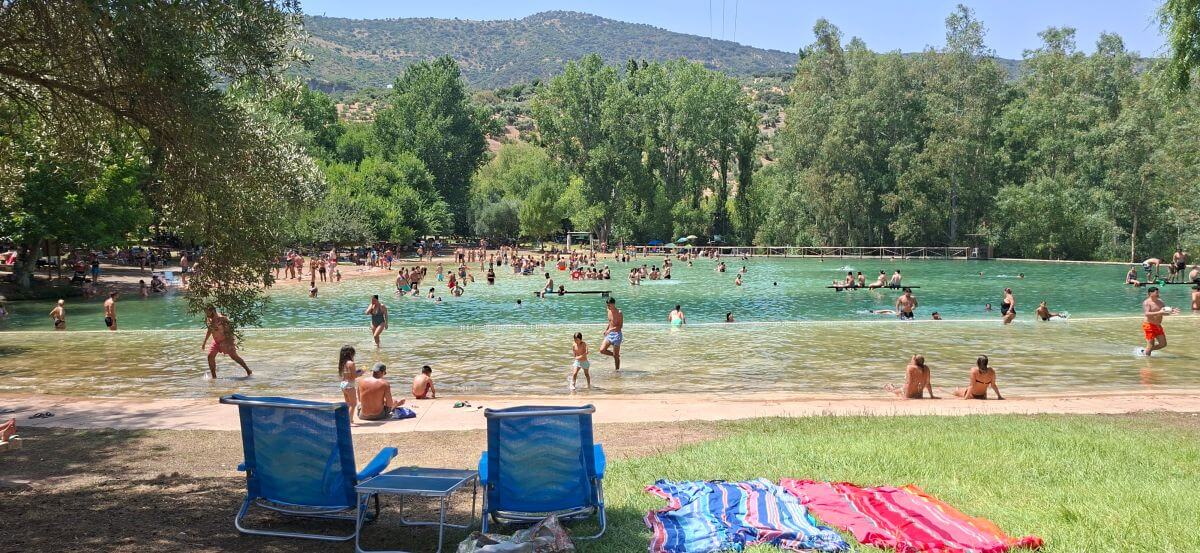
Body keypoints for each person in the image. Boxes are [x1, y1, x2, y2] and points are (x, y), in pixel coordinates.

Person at [202, 306, 252, 378]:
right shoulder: (209, 319)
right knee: (210, 356)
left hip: (225, 340)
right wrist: (204, 342)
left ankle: (248, 370)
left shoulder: (222, 319)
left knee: (234, 357)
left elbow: (230, 331)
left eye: (207, 312)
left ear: (212, 311)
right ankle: (214, 377)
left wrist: (229, 342)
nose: (206, 314)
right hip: (216, 342)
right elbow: (209, 330)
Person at [1141, 286, 1176, 356]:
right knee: (1151, 344)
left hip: (1158, 325)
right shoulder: (1147, 302)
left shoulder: (1161, 302)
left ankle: (1146, 351)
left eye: (1158, 292)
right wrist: (1159, 312)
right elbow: (1147, 314)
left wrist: (1171, 312)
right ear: (1150, 293)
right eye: (1156, 293)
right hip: (1149, 325)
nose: (1158, 294)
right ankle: (1148, 362)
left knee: (1163, 344)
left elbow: (1163, 313)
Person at [599, 297, 623, 371]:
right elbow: (610, 322)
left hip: (617, 335)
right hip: (609, 334)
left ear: (613, 304)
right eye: (607, 305)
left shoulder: (619, 312)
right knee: (602, 350)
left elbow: (620, 326)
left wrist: (610, 330)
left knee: (616, 358)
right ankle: (616, 355)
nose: (608, 307)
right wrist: (606, 330)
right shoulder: (608, 311)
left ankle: (617, 371)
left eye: (609, 305)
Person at [337, 345, 360, 422]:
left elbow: (347, 375)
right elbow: (353, 376)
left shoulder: (342, 363)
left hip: (343, 384)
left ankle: (347, 419)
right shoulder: (351, 363)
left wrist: (356, 373)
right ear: (350, 353)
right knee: (353, 404)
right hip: (349, 385)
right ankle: (349, 420)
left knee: (348, 404)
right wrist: (361, 373)